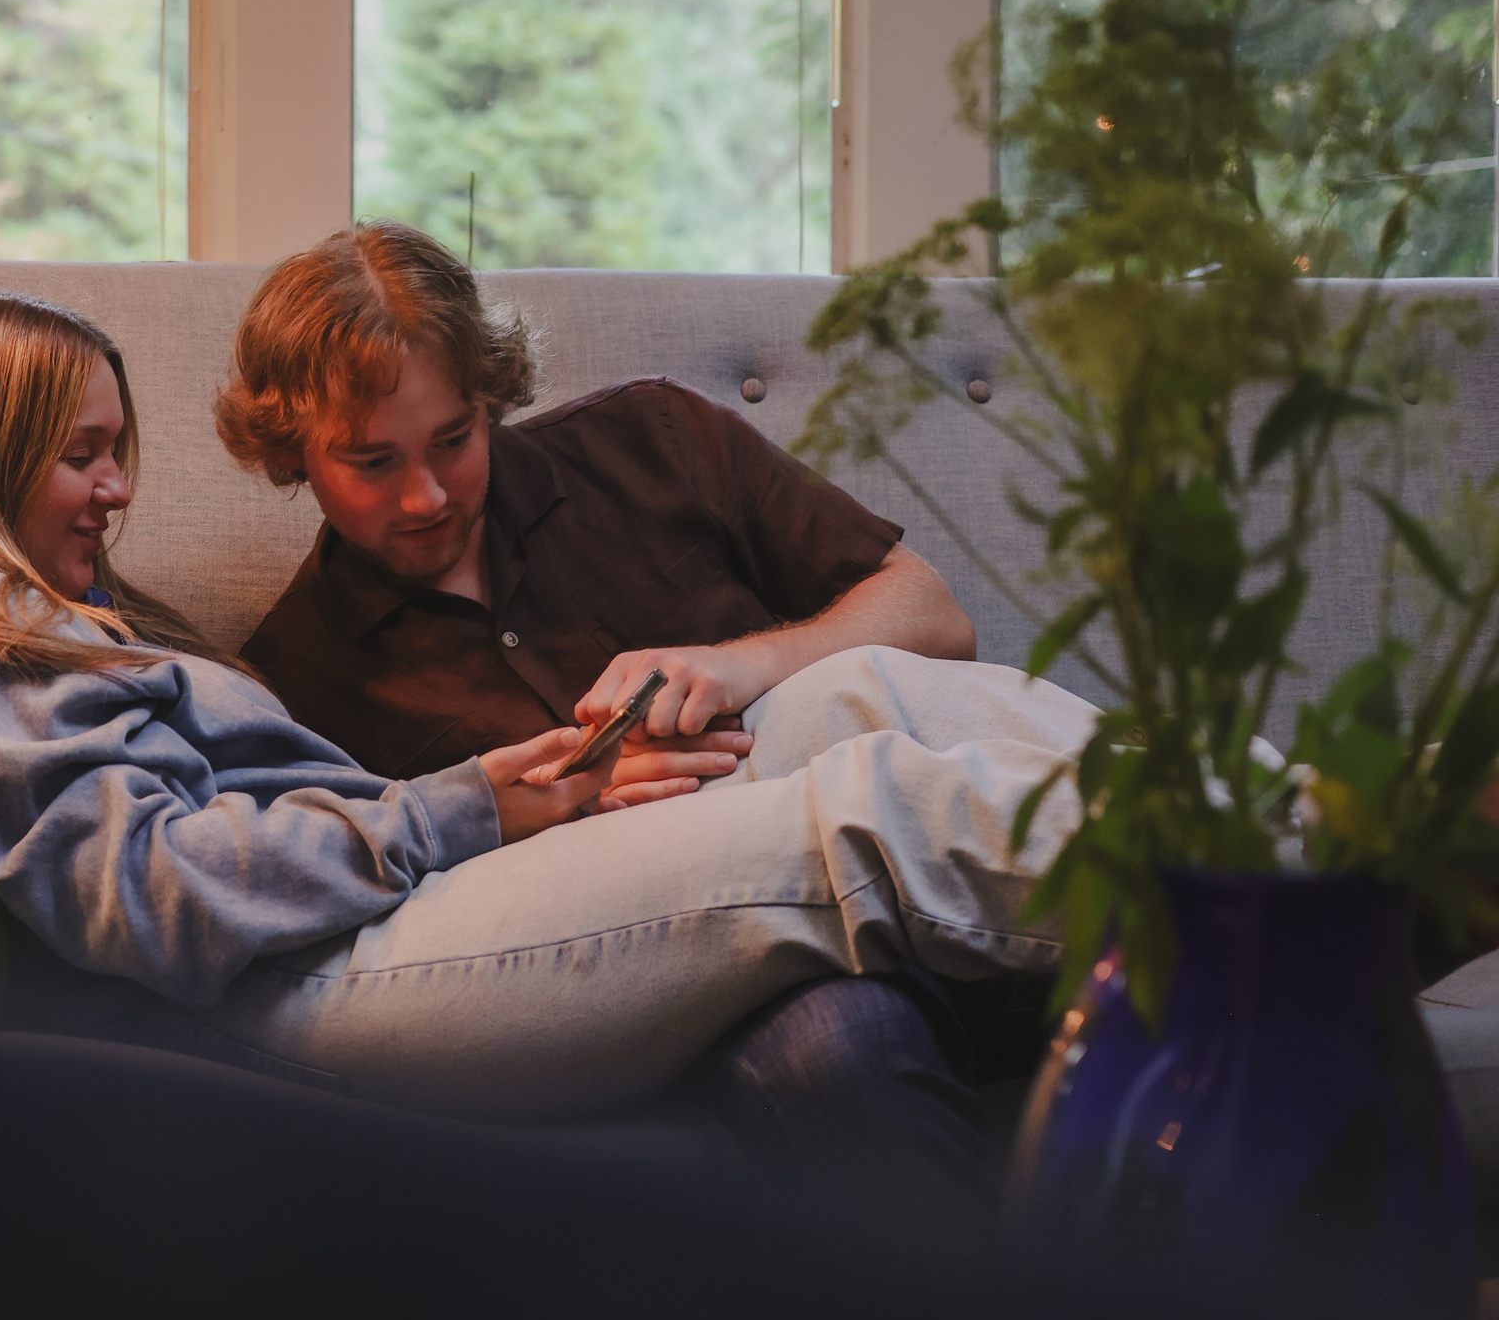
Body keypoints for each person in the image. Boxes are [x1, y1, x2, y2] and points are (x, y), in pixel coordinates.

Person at [0, 289, 1095, 1121]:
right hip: (321, 972)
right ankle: (1263, 912)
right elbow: (145, 891)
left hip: (378, 918)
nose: (114, 490)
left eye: (116, 451)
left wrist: (526, 797)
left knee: (855, 690)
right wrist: (472, 807)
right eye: (79, 456)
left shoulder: (59, 617)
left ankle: (1270, 810)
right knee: (863, 813)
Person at [218, 221, 1054, 1157]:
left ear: (488, 394)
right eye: (372, 463)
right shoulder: (292, 678)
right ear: (292, 452)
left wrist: (745, 661)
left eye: (454, 439)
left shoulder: (651, 438)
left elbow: (933, 615)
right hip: (732, 976)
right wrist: (570, 810)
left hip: (933, 862)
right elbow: (416, 956)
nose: (427, 498)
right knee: (846, 1051)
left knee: (1182, 968)